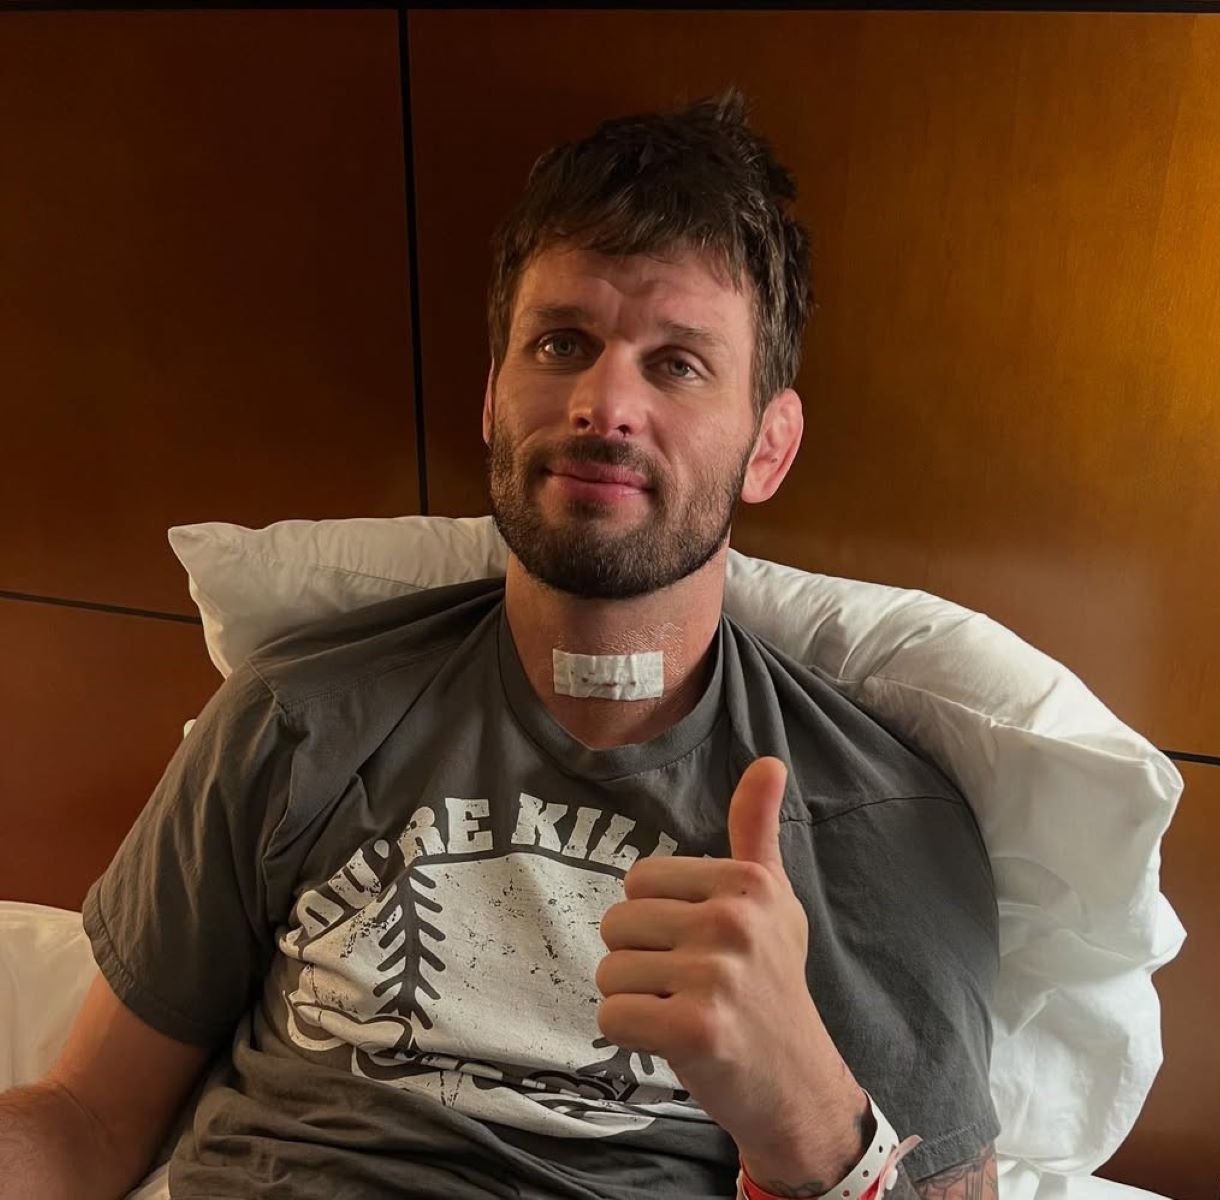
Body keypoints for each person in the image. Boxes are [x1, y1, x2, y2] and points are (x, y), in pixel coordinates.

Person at [0, 87, 1000, 1200]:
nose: (604, 404)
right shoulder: (296, 719)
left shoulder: (878, 820)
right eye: (562, 343)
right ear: (492, 399)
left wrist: (807, 1115)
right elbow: (84, 1120)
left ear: (768, 446)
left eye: (677, 363)